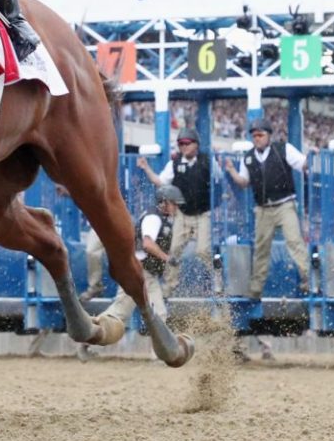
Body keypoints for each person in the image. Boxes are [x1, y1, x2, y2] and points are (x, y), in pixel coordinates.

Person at [86, 184, 184, 351]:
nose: (176, 207)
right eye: (174, 203)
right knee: (134, 313)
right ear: (164, 202)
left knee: (123, 312)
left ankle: (90, 341)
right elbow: (147, 244)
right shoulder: (154, 218)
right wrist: (167, 259)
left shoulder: (159, 216)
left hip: (143, 273)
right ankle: (90, 341)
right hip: (141, 272)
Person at [224, 118, 309, 300]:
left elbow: (303, 164)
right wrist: (231, 171)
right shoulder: (248, 157)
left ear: (269, 135)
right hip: (263, 208)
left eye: (260, 135)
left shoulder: (283, 148)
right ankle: (256, 289)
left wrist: (312, 157)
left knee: (294, 241)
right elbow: (244, 182)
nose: (257, 139)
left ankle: (308, 278)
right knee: (261, 248)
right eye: (254, 136)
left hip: (285, 204)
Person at [136, 127, 213, 295]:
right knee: (174, 249)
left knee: (203, 251)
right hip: (183, 214)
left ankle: (217, 285)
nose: (183, 146)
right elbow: (160, 182)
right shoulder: (174, 164)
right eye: (180, 144)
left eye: (187, 143)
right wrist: (146, 168)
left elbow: (219, 184)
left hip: (203, 214)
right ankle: (169, 287)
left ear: (196, 145)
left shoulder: (208, 162)